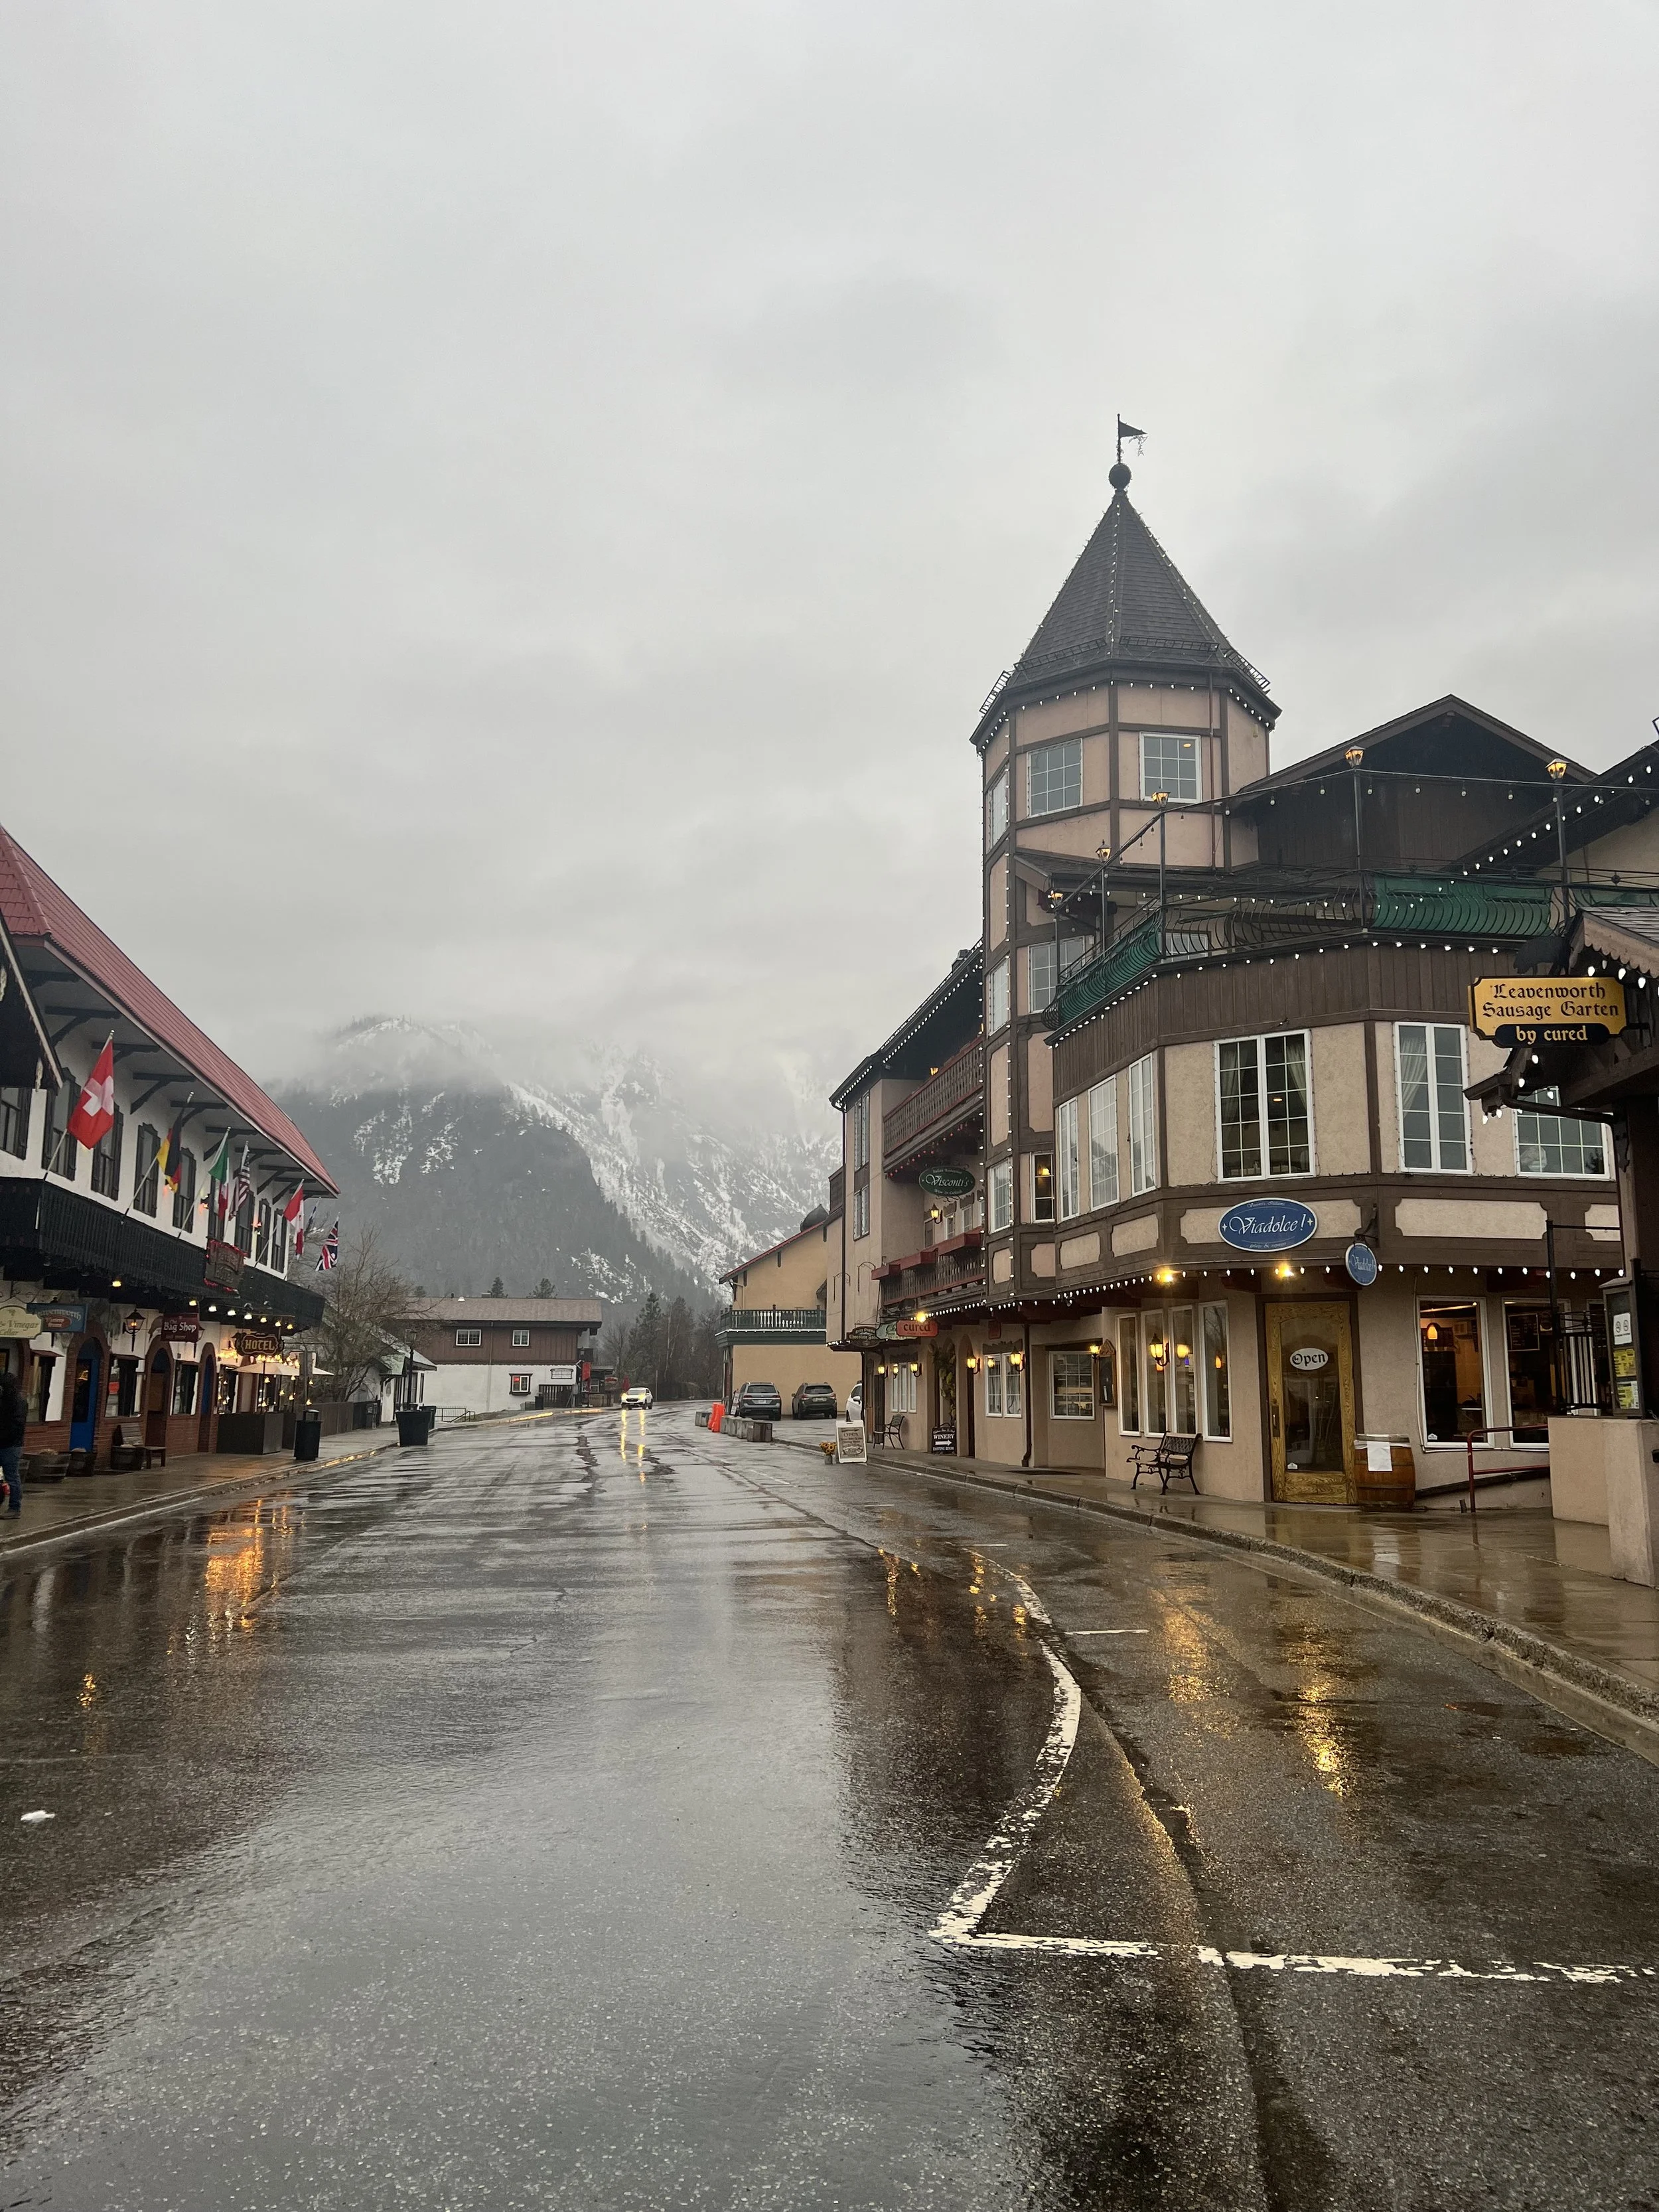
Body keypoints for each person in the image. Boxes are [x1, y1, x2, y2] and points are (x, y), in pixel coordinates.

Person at [0, 1360, 26, 1515]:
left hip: (11, 1446)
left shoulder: (17, 1403)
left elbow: (16, 1426)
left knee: (12, 1477)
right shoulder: (4, 1401)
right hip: (5, 1443)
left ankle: (15, 1508)